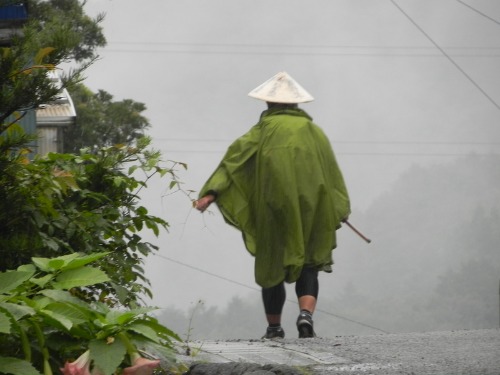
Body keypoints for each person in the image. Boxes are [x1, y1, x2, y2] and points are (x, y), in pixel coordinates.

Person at [195, 71, 350, 339]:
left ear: (268, 104)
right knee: (309, 262)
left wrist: (211, 193)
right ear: (296, 104)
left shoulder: (262, 131)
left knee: (271, 264)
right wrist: (338, 207)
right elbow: (332, 175)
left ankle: (274, 328)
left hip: (273, 208)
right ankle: (305, 315)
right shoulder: (315, 133)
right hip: (312, 208)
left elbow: (234, 161)